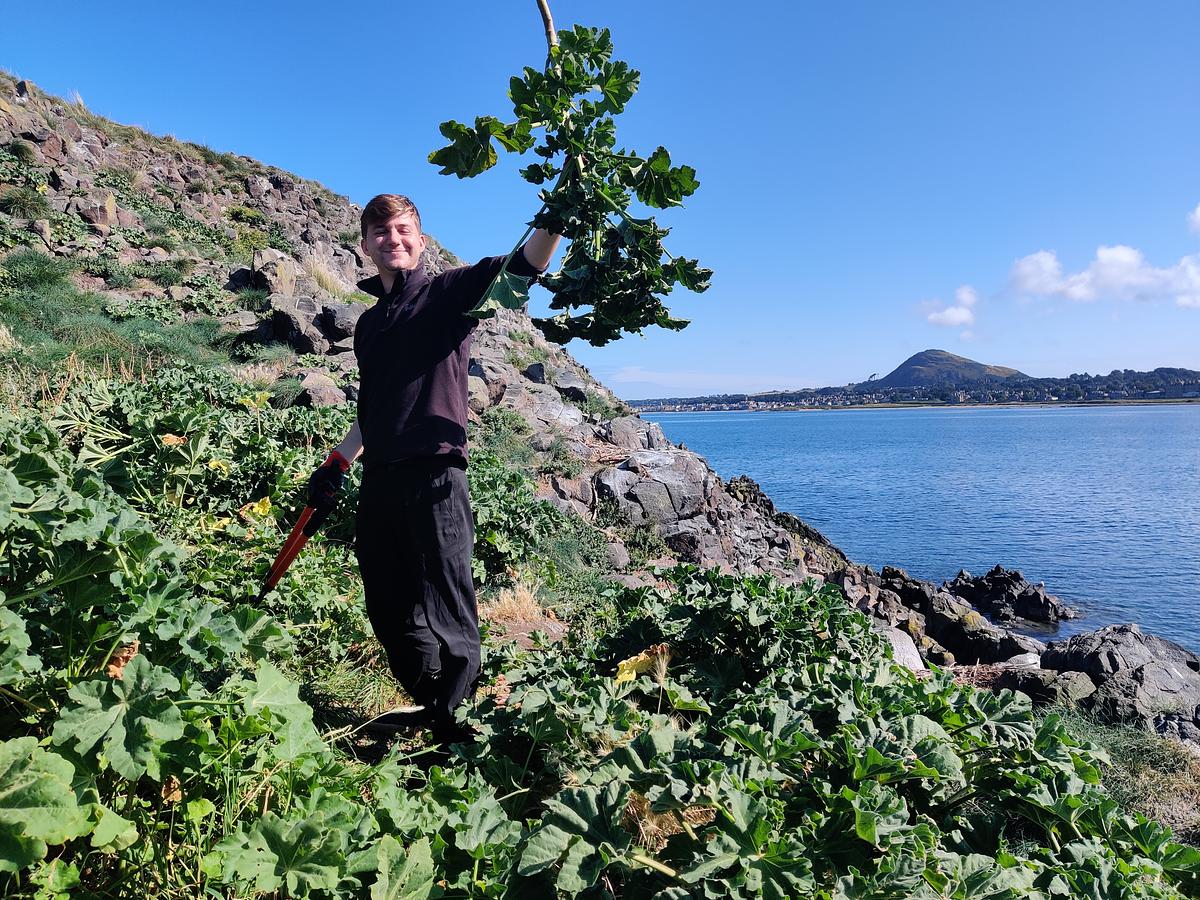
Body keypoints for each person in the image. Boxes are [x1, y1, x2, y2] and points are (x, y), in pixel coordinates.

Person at [307, 193, 561, 744]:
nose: (392, 239)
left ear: (420, 240)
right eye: (380, 232)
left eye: (402, 230)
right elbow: (373, 410)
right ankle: (436, 708)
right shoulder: (369, 325)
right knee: (389, 606)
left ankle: (458, 725)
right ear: (365, 244)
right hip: (380, 480)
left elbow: (523, 267)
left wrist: (558, 217)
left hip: (437, 476)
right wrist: (336, 464)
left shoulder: (450, 296)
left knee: (448, 606)